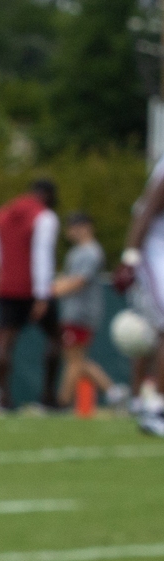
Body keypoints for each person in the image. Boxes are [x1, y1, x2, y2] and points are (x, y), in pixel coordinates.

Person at [0, 174, 60, 412]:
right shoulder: (44, 217)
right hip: (32, 287)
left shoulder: (0, 214)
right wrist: (42, 294)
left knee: (5, 342)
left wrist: (2, 277)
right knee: (55, 339)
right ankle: (48, 396)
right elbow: (42, 255)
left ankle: (3, 398)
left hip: (7, 285)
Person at [51, 212, 108, 411]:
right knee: (77, 360)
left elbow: (79, 281)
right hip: (72, 311)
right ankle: (113, 391)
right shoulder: (76, 252)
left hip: (81, 313)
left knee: (74, 360)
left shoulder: (91, 252)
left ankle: (62, 401)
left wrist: (50, 290)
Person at [123, 153, 164, 425]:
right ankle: (156, 406)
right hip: (155, 251)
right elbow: (146, 211)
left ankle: (143, 400)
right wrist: (130, 258)